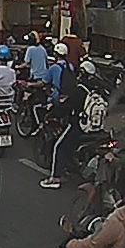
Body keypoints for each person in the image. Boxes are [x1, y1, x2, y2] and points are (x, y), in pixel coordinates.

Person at [39, 47, 81, 189]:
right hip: (74, 110)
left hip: (60, 102)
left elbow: (44, 82)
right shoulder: (71, 67)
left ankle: (55, 178)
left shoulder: (54, 68)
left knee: (59, 146)